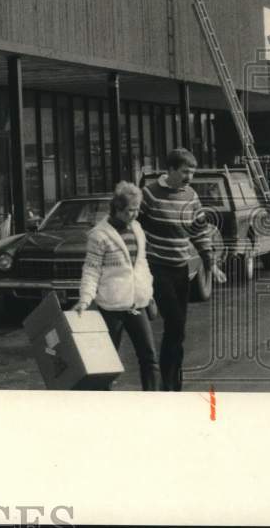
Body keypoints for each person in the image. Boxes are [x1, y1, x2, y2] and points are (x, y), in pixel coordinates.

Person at [138, 147, 226, 391]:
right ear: (171, 169)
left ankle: (172, 382)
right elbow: (134, 225)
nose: (190, 178)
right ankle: (167, 382)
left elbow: (200, 231)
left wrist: (211, 264)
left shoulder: (191, 196)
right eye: (186, 172)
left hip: (180, 269)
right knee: (175, 323)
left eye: (193, 173)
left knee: (178, 330)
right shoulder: (150, 194)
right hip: (158, 268)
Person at [74, 182, 160, 391]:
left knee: (149, 357)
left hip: (136, 304)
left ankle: (156, 399)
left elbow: (141, 264)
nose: (135, 214)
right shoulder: (99, 235)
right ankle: (103, 403)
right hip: (111, 307)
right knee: (107, 362)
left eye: (137, 209)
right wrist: (85, 299)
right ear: (117, 209)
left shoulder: (137, 229)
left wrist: (148, 291)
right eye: (130, 210)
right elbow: (91, 270)